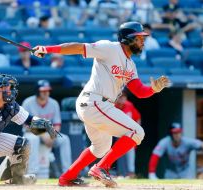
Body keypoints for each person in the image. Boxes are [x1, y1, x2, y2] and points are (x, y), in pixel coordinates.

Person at [32, 21, 171, 187]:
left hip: (97, 105)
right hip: (94, 101)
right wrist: (47, 49)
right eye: (139, 37)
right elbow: (77, 47)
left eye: (143, 37)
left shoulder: (131, 66)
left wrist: (153, 89)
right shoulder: (110, 48)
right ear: (127, 38)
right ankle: (101, 167)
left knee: (100, 148)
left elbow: (140, 91)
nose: (143, 41)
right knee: (137, 132)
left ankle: (67, 177)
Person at [22, 80, 72, 177]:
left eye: (48, 90)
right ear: (37, 91)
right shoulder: (28, 102)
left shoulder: (53, 103)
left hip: (50, 134)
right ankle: (32, 173)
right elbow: (26, 125)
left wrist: (52, 136)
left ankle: (68, 173)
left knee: (64, 139)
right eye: (43, 91)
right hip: (32, 133)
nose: (46, 93)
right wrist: (43, 133)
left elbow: (57, 124)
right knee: (33, 139)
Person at [114, 90, 141, 178]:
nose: (122, 98)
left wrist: (137, 130)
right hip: (116, 133)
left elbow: (137, 117)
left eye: (124, 96)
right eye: (120, 96)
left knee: (130, 149)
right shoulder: (112, 107)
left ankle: (131, 172)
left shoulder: (129, 105)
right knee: (117, 151)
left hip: (129, 133)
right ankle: (120, 172)